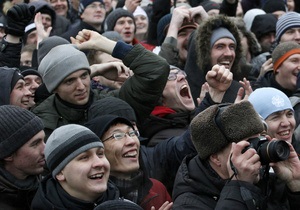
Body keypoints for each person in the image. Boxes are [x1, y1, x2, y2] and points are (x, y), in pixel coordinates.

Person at [31, 29, 169, 139]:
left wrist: (101, 43)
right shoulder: (41, 122)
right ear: (54, 88)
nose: (80, 86)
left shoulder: (113, 103)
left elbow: (156, 69)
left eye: (84, 75)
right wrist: (94, 70)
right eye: (69, 81)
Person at [172, 100, 300, 209]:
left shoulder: (268, 181)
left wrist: (295, 185)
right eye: (248, 145)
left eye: (259, 140)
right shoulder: (188, 203)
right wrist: (239, 186)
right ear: (216, 157)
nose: (256, 152)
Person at [31, 124, 120, 209]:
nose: (99, 163)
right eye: (84, 157)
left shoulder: (125, 205)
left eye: (100, 154)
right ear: (60, 173)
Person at [185, 14, 243, 105]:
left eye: (232, 47)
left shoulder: (241, 92)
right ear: (203, 53)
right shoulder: (184, 92)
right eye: (220, 46)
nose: (228, 53)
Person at [0, 105, 45, 209]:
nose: (45, 150)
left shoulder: (48, 186)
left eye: (43, 140)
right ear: (8, 154)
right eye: (35, 144)